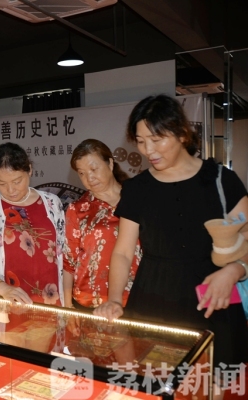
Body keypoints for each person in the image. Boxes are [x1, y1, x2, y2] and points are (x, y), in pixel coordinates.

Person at [94, 94, 248, 389]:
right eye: (141, 141)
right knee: (155, 380)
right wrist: (114, 299)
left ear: (181, 133)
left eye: (156, 139)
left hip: (214, 293)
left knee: (211, 384)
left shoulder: (221, 180)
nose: (148, 150)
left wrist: (233, 271)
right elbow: (123, 252)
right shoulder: (137, 188)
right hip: (154, 296)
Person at [0, 142, 66, 306]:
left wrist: (68, 300)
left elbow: (65, 252)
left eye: (17, 181)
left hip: (52, 298)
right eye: (2, 183)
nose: (11, 190)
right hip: (8, 301)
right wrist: (2, 288)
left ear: (29, 170)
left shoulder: (52, 203)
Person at [63, 139, 141, 311]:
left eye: (94, 169)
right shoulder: (78, 209)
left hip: (134, 298)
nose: (89, 178)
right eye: (82, 173)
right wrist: (68, 307)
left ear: (110, 164)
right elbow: (69, 261)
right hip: (89, 300)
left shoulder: (136, 199)